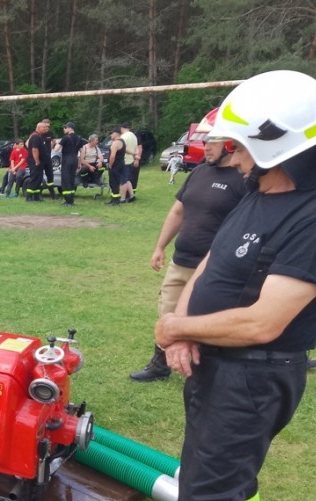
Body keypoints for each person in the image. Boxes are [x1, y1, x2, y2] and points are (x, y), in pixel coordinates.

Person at [142, 70, 316, 501]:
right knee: (232, 471)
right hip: (220, 366)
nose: (231, 157)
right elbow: (211, 263)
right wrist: (184, 329)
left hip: (255, 377)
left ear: (277, 144)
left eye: (240, 146)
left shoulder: (313, 216)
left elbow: (265, 321)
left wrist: (176, 326)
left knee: (205, 491)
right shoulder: (258, 190)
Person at [129, 109, 247, 382]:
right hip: (181, 260)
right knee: (167, 313)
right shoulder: (200, 172)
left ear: (230, 143)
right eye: (204, 141)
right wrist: (160, 246)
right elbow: (178, 211)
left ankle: (205, 370)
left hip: (213, 267)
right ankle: (160, 365)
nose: (205, 147)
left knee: (206, 319)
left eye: (212, 141)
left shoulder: (242, 179)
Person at [55, 122, 84, 206]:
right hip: (75, 159)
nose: (64, 129)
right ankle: (71, 200)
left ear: (70, 128)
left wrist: (57, 142)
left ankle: (68, 201)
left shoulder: (65, 138)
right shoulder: (79, 138)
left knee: (66, 180)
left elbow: (56, 149)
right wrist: (80, 162)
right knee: (71, 180)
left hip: (67, 160)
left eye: (65, 128)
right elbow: (82, 151)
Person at [25, 122, 49, 202]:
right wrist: (37, 161)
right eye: (43, 127)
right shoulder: (35, 136)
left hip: (40, 161)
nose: (45, 129)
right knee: (35, 178)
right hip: (35, 161)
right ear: (38, 127)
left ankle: (36, 196)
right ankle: (29, 197)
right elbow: (34, 150)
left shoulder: (39, 136)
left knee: (39, 179)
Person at [119, 122, 141, 202]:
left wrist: (133, 153)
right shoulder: (134, 136)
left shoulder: (123, 137)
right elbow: (137, 147)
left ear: (122, 128)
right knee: (127, 179)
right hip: (131, 160)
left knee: (123, 180)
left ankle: (122, 198)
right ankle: (132, 195)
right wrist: (136, 156)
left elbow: (123, 148)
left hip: (124, 160)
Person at [105, 127, 125, 206]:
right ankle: (113, 198)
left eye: (112, 133)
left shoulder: (116, 143)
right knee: (114, 182)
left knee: (114, 182)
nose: (111, 135)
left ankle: (116, 201)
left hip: (115, 165)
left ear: (116, 134)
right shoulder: (122, 141)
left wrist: (110, 165)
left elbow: (112, 156)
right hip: (120, 164)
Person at [40, 119, 58, 199]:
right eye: (45, 126)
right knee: (39, 176)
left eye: (48, 126)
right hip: (40, 158)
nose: (47, 128)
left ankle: (52, 194)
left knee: (50, 175)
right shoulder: (38, 134)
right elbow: (28, 143)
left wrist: (51, 147)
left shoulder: (50, 133)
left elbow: (54, 140)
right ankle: (38, 193)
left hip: (48, 158)